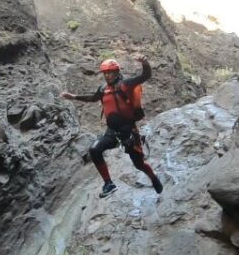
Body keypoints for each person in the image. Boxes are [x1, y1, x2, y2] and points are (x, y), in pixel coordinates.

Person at [60, 55, 163, 198]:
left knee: (139, 164)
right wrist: (74, 97)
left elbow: (145, 75)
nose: (107, 75)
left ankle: (153, 177)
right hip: (112, 131)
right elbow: (93, 98)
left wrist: (145, 63)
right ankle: (108, 184)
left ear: (116, 72)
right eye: (105, 73)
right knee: (94, 150)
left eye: (110, 72)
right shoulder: (103, 89)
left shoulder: (125, 84)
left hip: (128, 131)